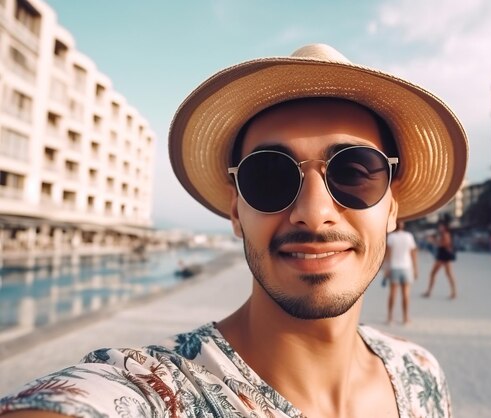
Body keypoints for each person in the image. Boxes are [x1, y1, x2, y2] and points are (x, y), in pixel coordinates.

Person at [0, 44, 467, 417]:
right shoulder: (159, 390)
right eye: (269, 177)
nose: (313, 212)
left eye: (353, 171)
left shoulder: (419, 374)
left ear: (392, 208)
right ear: (235, 211)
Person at [384, 221, 418, 325]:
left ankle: (390, 318)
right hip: (406, 268)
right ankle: (406, 318)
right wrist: (415, 269)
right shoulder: (409, 236)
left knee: (393, 294)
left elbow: (388, 255)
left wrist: (386, 269)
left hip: (394, 267)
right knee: (406, 295)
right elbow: (413, 253)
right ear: (403, 225)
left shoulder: (391, 237)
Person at [422, 221, 458, 300]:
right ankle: (453, 292)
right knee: (446, 274)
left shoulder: (445, 234)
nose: (440, 228)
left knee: (435, 273)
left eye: (441, 226)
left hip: (443, 255)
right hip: (443, 255)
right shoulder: (442, 234)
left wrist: (434, 241)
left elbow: (446, 243)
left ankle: (429, 291)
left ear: (444, 227)